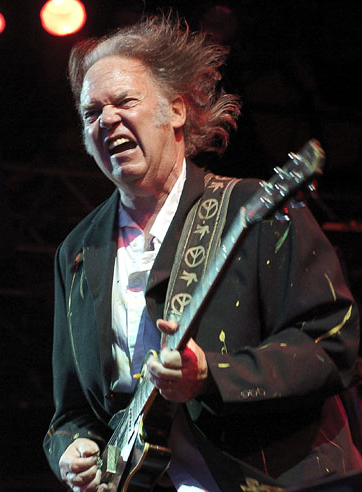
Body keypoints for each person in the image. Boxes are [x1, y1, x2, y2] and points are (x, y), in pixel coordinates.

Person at [43, 13, 362, 492]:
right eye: (91, 113)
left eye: (124, 101)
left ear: (176, 110)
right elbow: (70, 410)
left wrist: (213, 374)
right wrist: (70, 448)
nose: (107, 120)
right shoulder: (79, 251)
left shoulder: (253, 209)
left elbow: (334, 343)